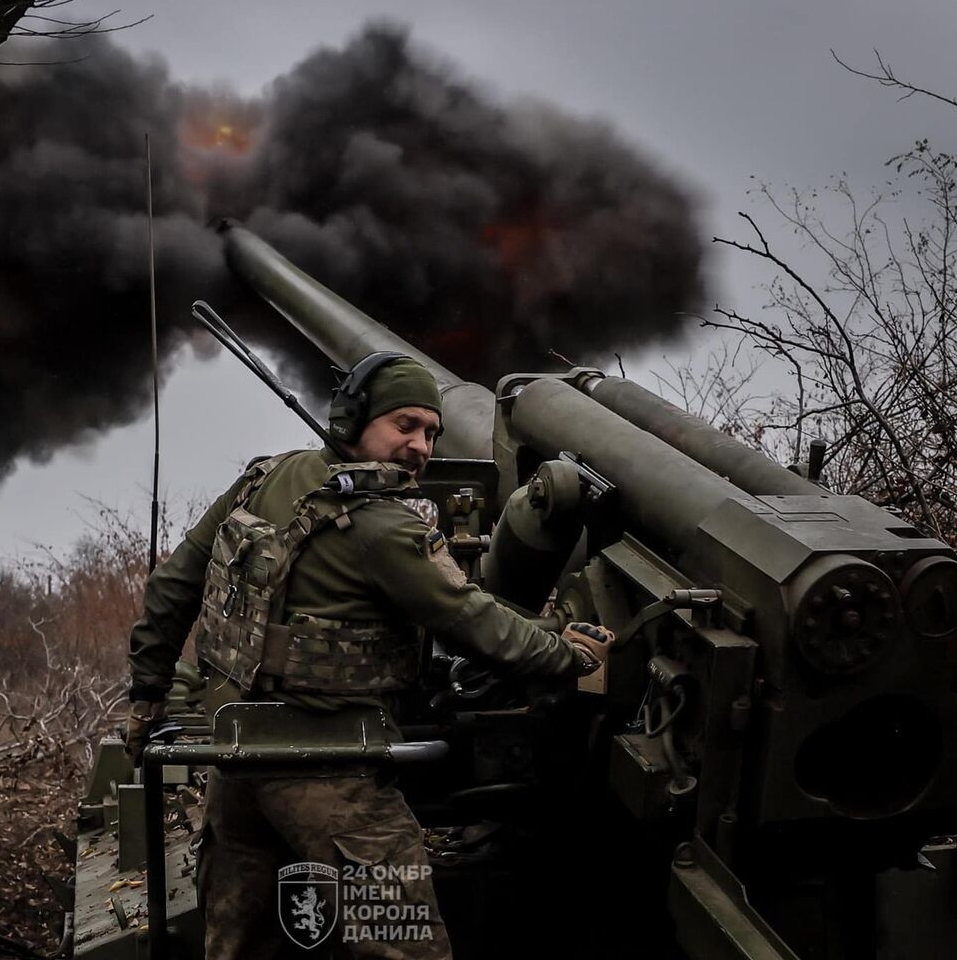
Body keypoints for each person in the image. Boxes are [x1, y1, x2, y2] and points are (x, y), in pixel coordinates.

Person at [125, 354, 613, 959]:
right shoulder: (384, 526)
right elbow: (475, 624)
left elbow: (174, 584)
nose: (420, 446)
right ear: (352, 419)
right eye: (404, 425)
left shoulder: (263, 478)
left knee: (239, 947)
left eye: (431, 432)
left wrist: (147, 694)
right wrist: (566, 655)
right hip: (332, 778)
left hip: (238, 764)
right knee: (405, 947)